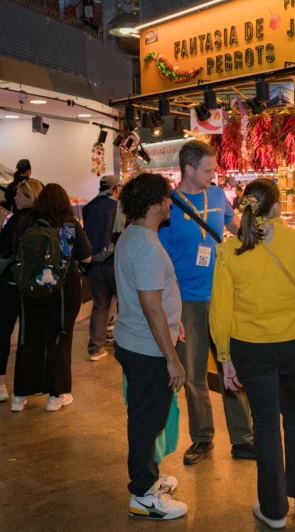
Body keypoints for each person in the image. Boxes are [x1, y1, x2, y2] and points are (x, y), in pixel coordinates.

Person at [210, 178, 295, 528]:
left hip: (249, 348)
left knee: (264, 423)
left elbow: (220, 311)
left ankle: (273, 508)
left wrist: (224, 357)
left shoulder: (227, 251)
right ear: (278, 207)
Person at [158, 140, 253, 466]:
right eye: (208, 169)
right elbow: (163, 263)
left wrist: (254, 246)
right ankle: (202, 438)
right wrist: (173, 312)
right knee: (194, 374)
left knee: (233, 366)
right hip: (187, 301)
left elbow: (232, 227)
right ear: (188, 169)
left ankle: (244, 438)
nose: (214, 174)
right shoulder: (168, 205)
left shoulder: (216, 195)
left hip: (222, 295)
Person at [114, 173, 188, 521]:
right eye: (168, 198)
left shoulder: (134, 236)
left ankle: (149, 478)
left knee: (146, 416)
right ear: (155, 202)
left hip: (138, 342)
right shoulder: (146, 246)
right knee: (147, 420)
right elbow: (151, 307)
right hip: (148, 350)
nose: (171, 203)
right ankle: (143, 493)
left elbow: (155, 300)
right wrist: (172, 358)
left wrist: (175, 323)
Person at [9, 184, 92, 413]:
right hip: (63, 292)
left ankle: (19, 396)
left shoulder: (26, 222)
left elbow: (13, 253)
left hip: (30, 290)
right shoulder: (68, 225)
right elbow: (86, 257)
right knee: (59, 340)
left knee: (29, 339)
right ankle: (56, 395)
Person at [0, 178, 44, 403]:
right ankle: (32, 383)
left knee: (3, 334)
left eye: (18, 194)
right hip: (33, 286)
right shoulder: (42, 221)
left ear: (29, 197)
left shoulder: (15, 220)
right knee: (30, 335)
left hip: (10, 284)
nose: (14, 198)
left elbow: (0, 247)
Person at [83, 175, 122, 362]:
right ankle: (122, 344)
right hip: (116, 264)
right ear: (115, 188)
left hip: (95, 264)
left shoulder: (87, 208)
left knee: (100, 306)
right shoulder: (118, 207)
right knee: (124, 304)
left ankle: (95, 349)